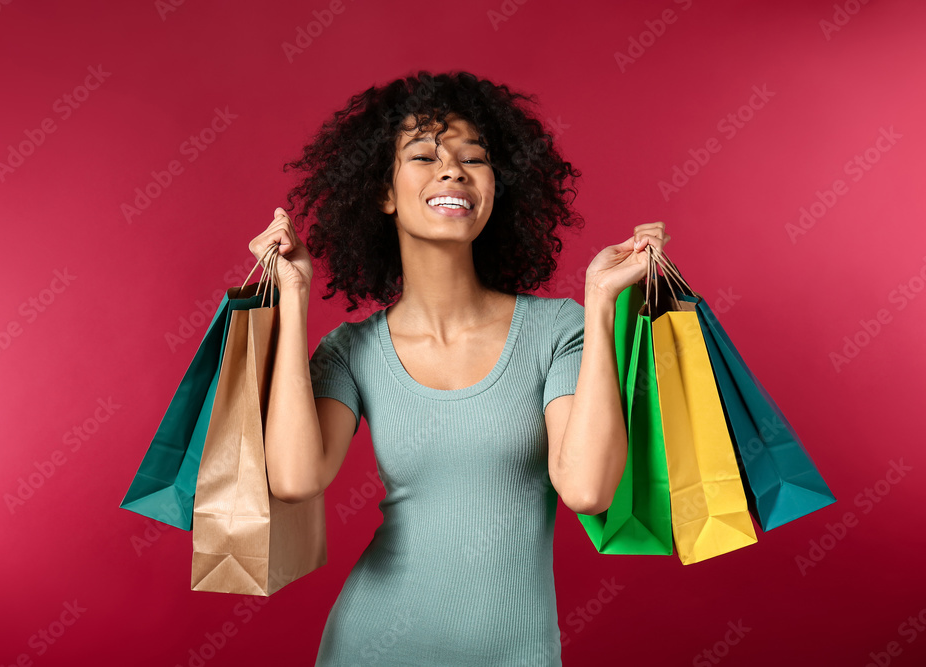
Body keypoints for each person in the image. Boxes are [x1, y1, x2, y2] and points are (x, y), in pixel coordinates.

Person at [247, 71, 670, 666]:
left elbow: (586, 488)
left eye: (474, 158)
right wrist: (293, 299)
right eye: (423, 156)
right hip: (373, 645)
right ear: (384, 193)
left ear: (497, 188)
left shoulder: (560, 332)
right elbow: (295, 477)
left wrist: (601, 303)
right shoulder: (352, 350)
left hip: (515, 651)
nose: (452, 170)